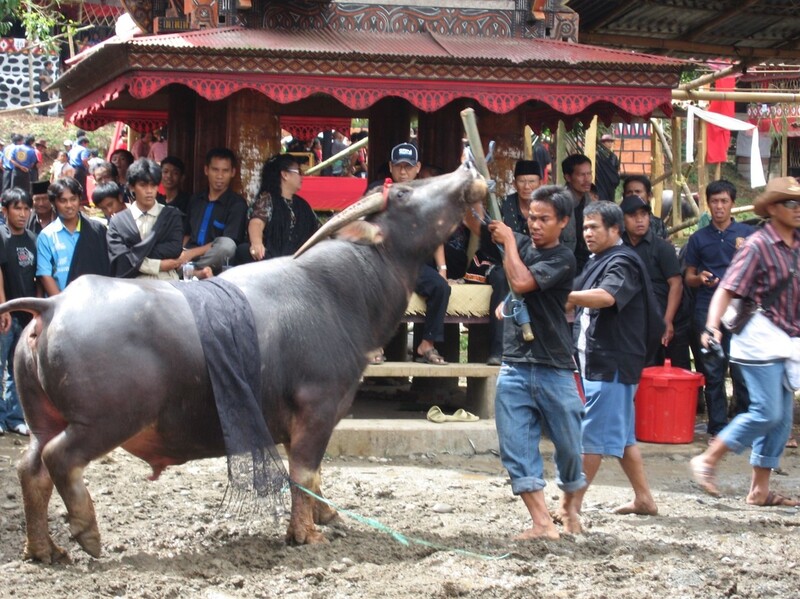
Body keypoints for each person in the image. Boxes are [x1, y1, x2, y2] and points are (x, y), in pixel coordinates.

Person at [690, 177, 800, 506]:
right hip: (758, 336)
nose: (797, 210)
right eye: (790, 204)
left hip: (788, 336)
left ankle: (759, 490)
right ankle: (708, 459)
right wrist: (712, 326)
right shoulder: (757, 244)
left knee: (781, 417)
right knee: (767, 411)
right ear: (773, 208)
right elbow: (727, 288)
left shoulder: (797, 242)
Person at [488, 184, 586, 539]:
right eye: (531, 217)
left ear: (562, 221)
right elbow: (487, 224)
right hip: (515, 364)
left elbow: (521, 280)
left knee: (571, 447)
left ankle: (569, 506)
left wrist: (509, 244)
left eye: (544, 219)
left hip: (554, 366)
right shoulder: (523, 243)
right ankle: (542, 522)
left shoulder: (563, 257)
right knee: (516, 446)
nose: (535, 225)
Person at [567, 201, 659, 517]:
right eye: (584, 227)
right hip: (598, 359)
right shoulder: (597, 260)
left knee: (592, 436)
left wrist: (564, 296)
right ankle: (644, 499)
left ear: (614, 230)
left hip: (613, 361)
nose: (587, 233)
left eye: (594, 227)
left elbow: (607, 297)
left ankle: (572, 505)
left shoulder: (623, 262)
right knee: (622, 437)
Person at [684, 180, 754, 439]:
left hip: (740, 307)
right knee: (713, 367)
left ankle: (744, 425)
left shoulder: (748, 233)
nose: (719, 206)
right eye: (714, 201)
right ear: (708, 203)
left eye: (724, 201)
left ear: (732, 203)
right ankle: (717, 427)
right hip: (706, 305)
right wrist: (699, 278)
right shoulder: (698, 238)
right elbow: (688, 276)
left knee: (741, 367)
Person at [464, 159, 542, 364]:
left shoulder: (544, 209)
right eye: (522, 181)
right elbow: (482, 231)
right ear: (515, 183)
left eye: (532, 181)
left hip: (536, 262)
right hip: (503, 261)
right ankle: (499, 351)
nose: (527, 186)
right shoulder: (504, 206)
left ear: (540, 183)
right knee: (502, 279)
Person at [390, 143, 450, 364]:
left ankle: (427, 344)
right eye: (398, 166)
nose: (403, 172)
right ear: (391, 167)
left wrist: (442, 269)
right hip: (386, 263)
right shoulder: (381, 195)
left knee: (440, 287)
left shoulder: (429, 198)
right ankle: (374, 346)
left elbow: (436, 236)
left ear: (418, 168)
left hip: (414, 265)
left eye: (408, 166)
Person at [620, 194, 689, 369]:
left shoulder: (662, 247)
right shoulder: (618, 248)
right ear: (622, 219)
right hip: (628, 321)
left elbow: (676, 284)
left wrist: (667, 320)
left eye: (643, 215)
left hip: (658, 316)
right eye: (633, 216)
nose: (639, 220)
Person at [107, 158, 184, 280]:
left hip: (166, 283)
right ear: (132, 187)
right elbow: (120, 259)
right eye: (143, 185)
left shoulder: (171, 215)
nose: (149, 191)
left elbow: (174, 249)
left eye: (153, 185)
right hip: (132, 284)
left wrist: (133, 253)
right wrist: (158, 265)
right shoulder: (118, 222)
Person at [236, 154, 318, 265]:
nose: (301, 177)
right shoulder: (267, 199)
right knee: (244, 250)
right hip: (271, 260)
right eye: (298, 172)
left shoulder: (303, 205)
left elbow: (318, 230)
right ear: (285, 175)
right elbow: (256, 223)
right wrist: (256, 243)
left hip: (299, 262)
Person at [36, 177, 109, 296]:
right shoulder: (46, 236)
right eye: (63, 201)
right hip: (63, 303)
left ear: (79, 199)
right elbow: (45, 275)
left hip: (97, 300)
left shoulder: (97, 230)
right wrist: (61, 303)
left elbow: (107, 266)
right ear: (54, 203)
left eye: (73, 199)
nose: (69, 205)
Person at [182, 147, 247, 277]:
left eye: (225, 171)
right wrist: (181, 253)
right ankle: (192, 271)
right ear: (206, 170)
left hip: (213, 259)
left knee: (227, 245)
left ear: (233, 172)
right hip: (187, 255)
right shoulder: (196, 199)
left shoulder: (237, 204)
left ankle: (189, 270)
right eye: (215, 170)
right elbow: (187, 233)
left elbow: (228, 244)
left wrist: (191, 254)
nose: (220, 176)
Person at [0, 187, 32, 435]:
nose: (22, 213)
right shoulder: (1, 236)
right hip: (6, 314)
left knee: (17, 366)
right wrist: (4, 308)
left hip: (26, 313)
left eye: (25, 208)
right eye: (17, 208)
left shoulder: (32, 238)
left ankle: (14, 416)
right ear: (5, 210)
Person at [560, 154, 593, 273]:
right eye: (581, 175)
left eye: (589, 173)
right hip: (563, 265)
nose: (587, 179)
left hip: (586, 263)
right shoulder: (558, 204)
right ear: (568, 177)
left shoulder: (591, 202)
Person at [622, 175, 668, 239]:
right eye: (629, 192)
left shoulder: (658, 224)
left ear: (649, 196)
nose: (634, 195)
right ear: (624, 196)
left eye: (638, 191)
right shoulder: (617, 223)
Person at [594, 133, 620, 202]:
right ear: (603, 143)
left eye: (611, 142)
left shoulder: (614, 157)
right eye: (608, 142)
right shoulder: (597, 155)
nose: (610, 144)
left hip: (610, 185)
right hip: (600, 183)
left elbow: (616, 170)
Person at [67, 136, 91, 201]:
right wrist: (88, 167)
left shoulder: (72, 150)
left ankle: (74, 199)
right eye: (86, 144)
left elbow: (68, 158)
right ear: (83, 143)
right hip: (80, 169)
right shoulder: (83, 149)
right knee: (81, 185)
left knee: (73, 185)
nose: (86, 146)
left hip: (71, 169)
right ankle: (83, 201)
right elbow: (84, 160)